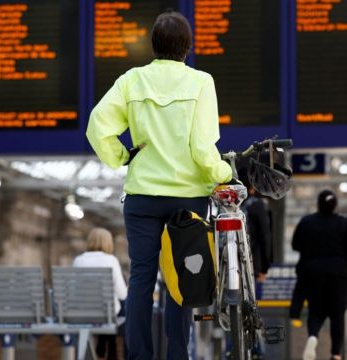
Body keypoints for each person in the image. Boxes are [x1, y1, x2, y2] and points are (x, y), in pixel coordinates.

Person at [86, 10, 232, 360]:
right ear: (188, 46)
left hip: (143, 199)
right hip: (188, 199)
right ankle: (178, 355)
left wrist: (121, 157)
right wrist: (222, 172)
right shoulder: (201, 82)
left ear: (153, 45)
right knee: (181, 280)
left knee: (141, 280)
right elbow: (201, 147)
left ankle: (138, 356)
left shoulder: (131, 81)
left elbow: (97, 125)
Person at [290, 190, 347, 360]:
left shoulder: (307, 222)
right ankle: (335, 354)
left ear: (318, 204)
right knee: (337, 314)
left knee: (315, 311)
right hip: (338, 274)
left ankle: (313, 335)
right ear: (335, 205)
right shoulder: (344, 222)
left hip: (312, 273)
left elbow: (295, 244)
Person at [73, 228, 128, 360]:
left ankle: (103, 345)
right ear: (108, 243)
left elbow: (73, 291)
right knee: (122, 305)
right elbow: (122, 294)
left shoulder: (78, 260)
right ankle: (114, 349)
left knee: (106, 306)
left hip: (81, 312)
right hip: (107, 313)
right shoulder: (111, 260)